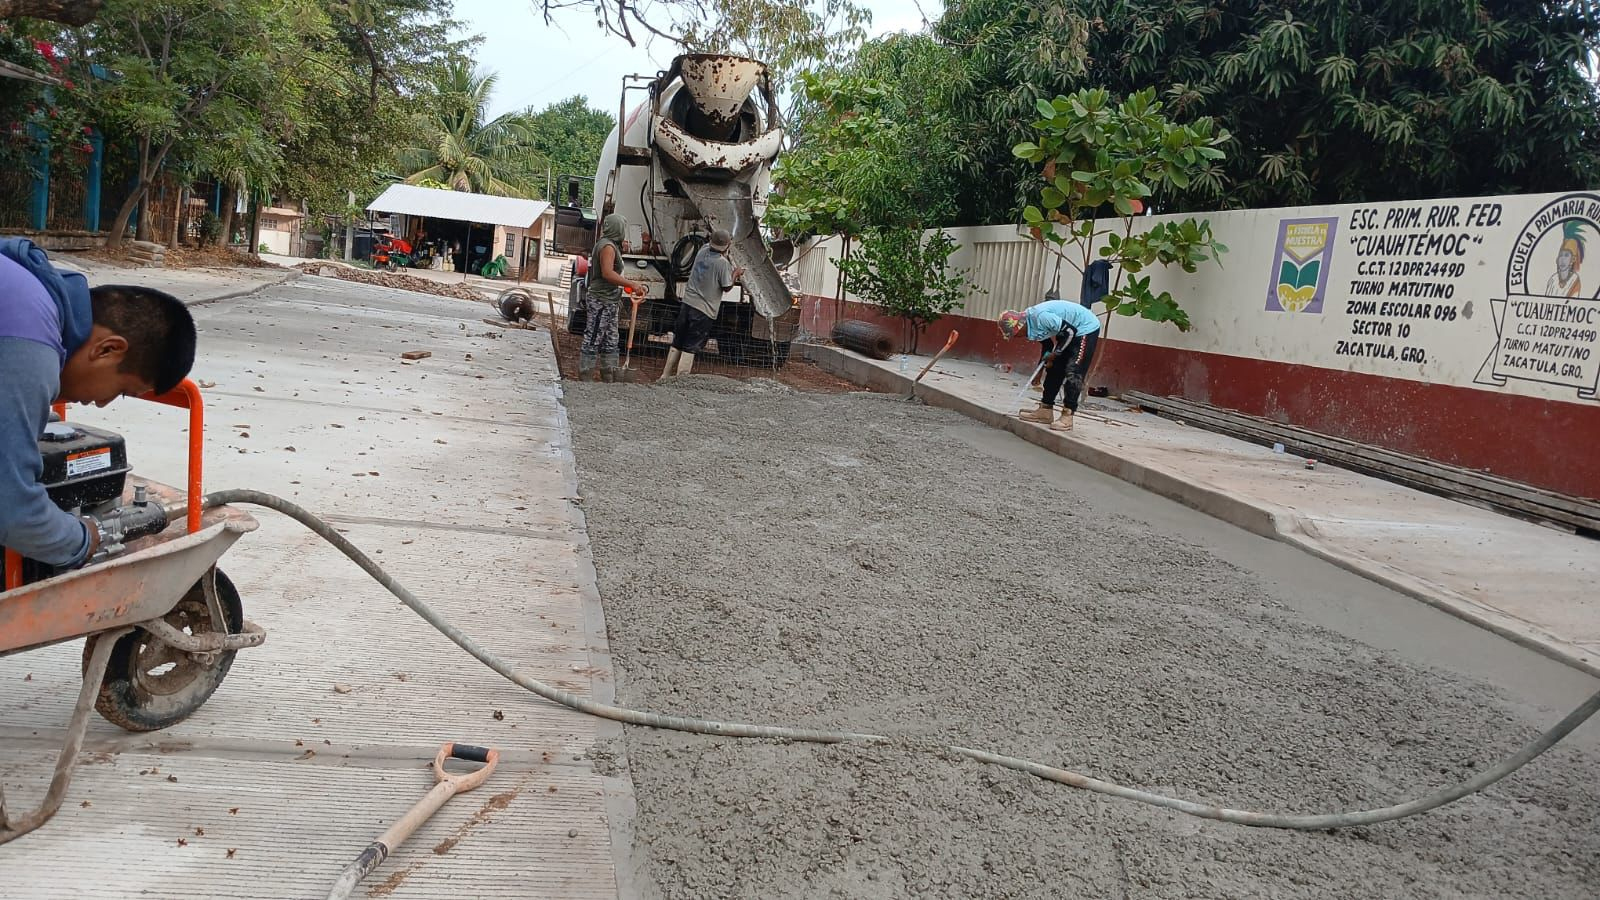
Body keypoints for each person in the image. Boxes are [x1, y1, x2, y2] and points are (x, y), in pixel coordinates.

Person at [0, 237, 196, 570]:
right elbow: (12, 507)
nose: (103, 403)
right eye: (122, 390)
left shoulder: (24, 285)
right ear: (108, 349)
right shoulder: (30, 338)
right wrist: (84, 538)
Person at [997, 297, 1102, 432]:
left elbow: (1071, 331)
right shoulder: (1030, 325)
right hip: (1066, 332)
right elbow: (1047, 346)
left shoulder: (1040, 317)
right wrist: (1040, 371)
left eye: (1014, 334)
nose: (1015, 337)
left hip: (1084, 328)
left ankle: (1067, 415)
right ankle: (1045, 410)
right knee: (1054, 368)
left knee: (1073, 371)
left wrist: (1056, 352)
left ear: (1019, 326)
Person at [660, 229, 742, 381]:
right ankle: (681, 379)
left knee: (678, 342)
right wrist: (736, 273)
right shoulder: (722, 263)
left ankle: (665, 376)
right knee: (690, 346)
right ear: (727, 245)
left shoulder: (702, 251)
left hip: (687, 304)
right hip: (704, 310)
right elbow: (726, 286)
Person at [580, 213, 644, 382]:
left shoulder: (611, 245)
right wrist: (631, 284)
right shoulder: (607, 247)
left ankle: (609, 377)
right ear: (618, 229)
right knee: (593, 337)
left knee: (611, 340)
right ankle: (585, 377)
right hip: (601, 299)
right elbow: (607, 273)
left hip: (610, 300)